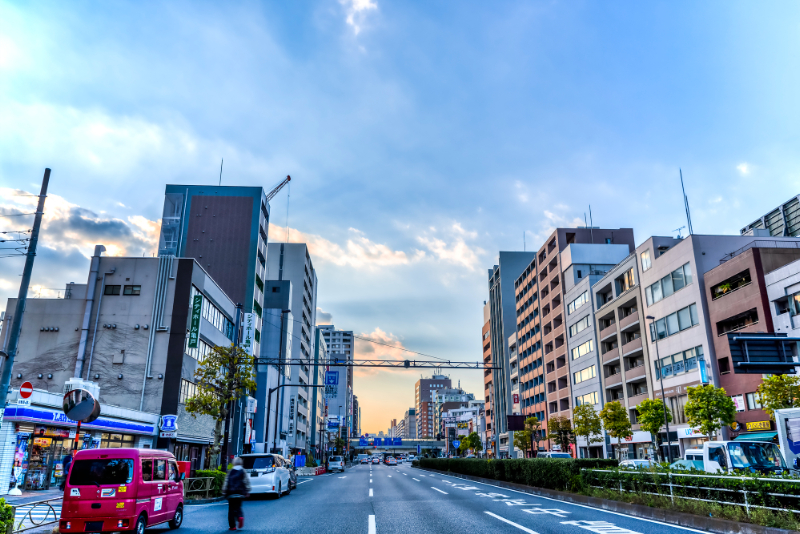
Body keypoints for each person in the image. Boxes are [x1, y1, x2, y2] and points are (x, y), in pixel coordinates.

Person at [222, 457, 251, 531]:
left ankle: (232, 526)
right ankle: (240, 516)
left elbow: (226, 481)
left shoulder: (230, 471)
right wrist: (247, 490)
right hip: (240, 493)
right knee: (238, 507)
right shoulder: (243, 471)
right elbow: (246, 481)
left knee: (231, 509)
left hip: (231, 493)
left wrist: (224, 490)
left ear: (234, 463)